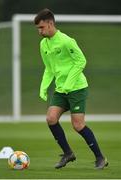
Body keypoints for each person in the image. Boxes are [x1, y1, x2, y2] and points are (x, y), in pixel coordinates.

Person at [34, 8, 108, 169]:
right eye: (38, 28)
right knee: (51, 118)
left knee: (78, 125)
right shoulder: (43, 44)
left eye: (41, 27)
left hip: (77, 88)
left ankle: (100, 158)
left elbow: (81, 61)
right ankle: (68, 153)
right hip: (61, 90)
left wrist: (69, 83)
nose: (39, 31)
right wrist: (43, 87)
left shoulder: (66, 41)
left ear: (50, 23)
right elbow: (48, 68)